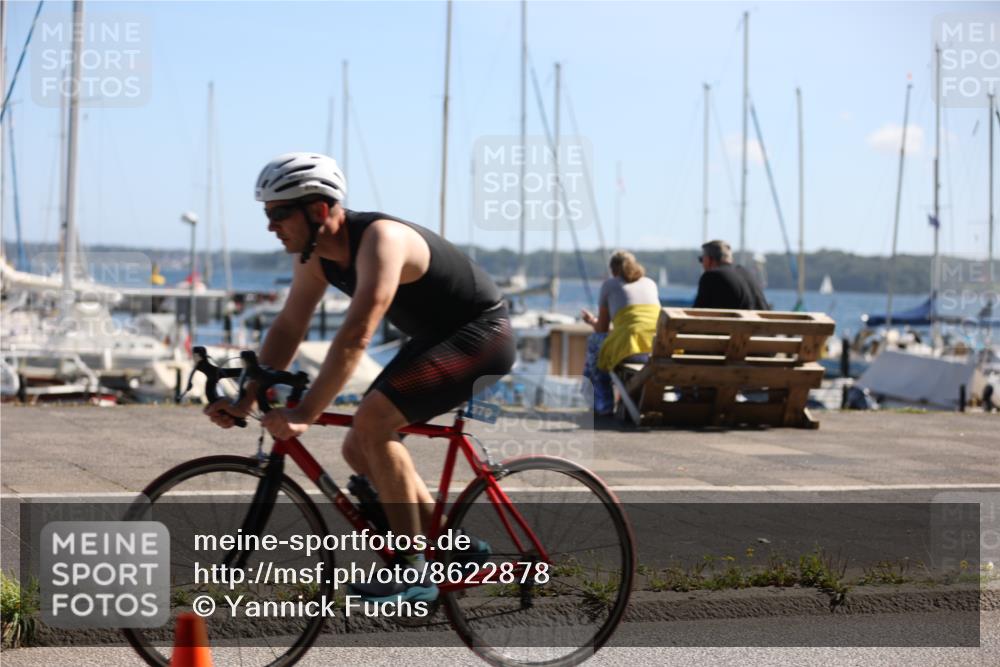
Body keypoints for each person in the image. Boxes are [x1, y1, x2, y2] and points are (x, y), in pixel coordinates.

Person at [205, 152, 515, 602]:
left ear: (318, 211)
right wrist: (245, 401)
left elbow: (356, 334)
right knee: (357, 445)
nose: (271, 226)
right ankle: (458, 549)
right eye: (266, 214)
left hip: (482, 334)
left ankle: (413, 571)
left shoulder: (381, 240)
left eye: (278, 213)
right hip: (435, 337)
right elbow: (290, 326)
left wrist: (305, 413)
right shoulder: (314, 256)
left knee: (373, 424)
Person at [580, 251, 661, 416]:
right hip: (658, 348)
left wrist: (591, 321)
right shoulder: (650, 283)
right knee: (605, 343)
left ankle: (603, 404)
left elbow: (602, 329)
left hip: (631, 350)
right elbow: (636, 323)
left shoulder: (610, 284)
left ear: (613, 269)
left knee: (595, 342)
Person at [693, 240, 770, 310]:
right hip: (761, 325)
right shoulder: (747, 274)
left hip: (735, 325)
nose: (702, 263)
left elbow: (697, 313)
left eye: (701, 259)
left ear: (709, 259)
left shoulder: (711, 276)